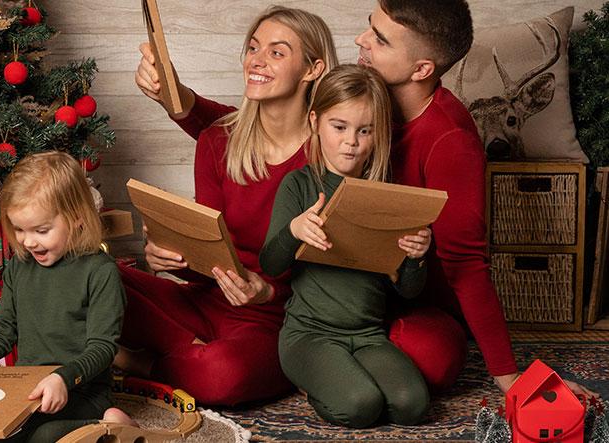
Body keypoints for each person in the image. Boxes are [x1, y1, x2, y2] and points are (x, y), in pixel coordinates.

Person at [139, 0, 597, 398]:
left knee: (429, 362)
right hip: (320, 294)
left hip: (402, 295)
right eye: (368, 25)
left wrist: (508, 374)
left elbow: (466, 264)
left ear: (421, 69)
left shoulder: (447, 140)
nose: (360, 40)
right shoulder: (353, 110)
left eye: (378, 38)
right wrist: (180, 102)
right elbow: (259, 126)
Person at [116, 6, 338, 406]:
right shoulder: (218, 140)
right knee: (87, 275)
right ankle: (187, 350)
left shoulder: (334, 154)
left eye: (277, 52)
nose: (257, 59)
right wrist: (176, 258)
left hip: (279, 319)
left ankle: (140, 363)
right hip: (206, 303)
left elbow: (335, 279)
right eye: (253, 47)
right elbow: (209, 267)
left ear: (312, 69)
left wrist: (265, 292)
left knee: (222, 374)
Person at [260, 64, 430, 427]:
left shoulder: (387, 196)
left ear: (377, 134)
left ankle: (344, 378)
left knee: (412, 405)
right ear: (315, 122)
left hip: (368, 335)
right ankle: (316, 384)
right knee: (360, 406)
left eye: (364, 131)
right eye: (339, 128)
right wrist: (294, 229)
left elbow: (409, 292)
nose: (351, 141)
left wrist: (416, 257)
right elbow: (270, 264)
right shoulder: (299, 185)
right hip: (309, 334)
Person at [0, 151, 134, 443]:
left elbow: (103, 348)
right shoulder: (19, 266)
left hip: (81, 391)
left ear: (77, 219)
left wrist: (63, 378)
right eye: (19, 230)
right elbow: (1, 334)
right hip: (27, 392)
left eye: (41, 230)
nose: (28, 241)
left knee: (45, 436)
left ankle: (111, 426)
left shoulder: (100, 272)